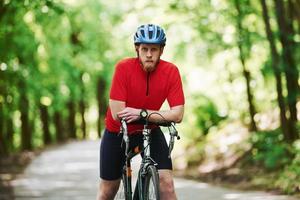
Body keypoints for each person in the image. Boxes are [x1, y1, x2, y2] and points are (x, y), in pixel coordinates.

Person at [97, 24, 185, 200]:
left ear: (162, 50)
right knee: (108, 191)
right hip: (118, 133)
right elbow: (118, 113)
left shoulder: (171, 72)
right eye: (144, 49)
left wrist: (142, 114)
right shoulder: (123, 68)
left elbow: (178, 114)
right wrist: (154, 115)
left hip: (150, 129)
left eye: (154, 49)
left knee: (166, 184)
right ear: (137, 49)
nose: (149, 54)